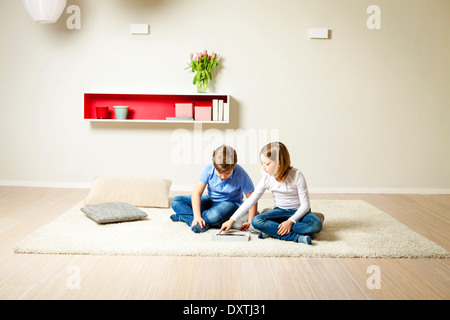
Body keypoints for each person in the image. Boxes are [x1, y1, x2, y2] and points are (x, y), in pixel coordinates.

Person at [219, 142, 322, 245]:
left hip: (299, 212)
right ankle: (295, 237)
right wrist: (231, 220)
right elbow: (250, 200)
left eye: (267, 164)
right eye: (262, 163)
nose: (264, 167)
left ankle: (271, 231)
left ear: (280, 163)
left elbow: (305, 205)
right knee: (256, 222)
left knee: (316, 225)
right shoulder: (267, 178)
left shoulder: (297, 175)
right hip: (280, 211)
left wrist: (290, 222)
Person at [170, 145, 258, 233]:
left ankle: (185, 217)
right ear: (214, 165)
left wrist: (250, 222)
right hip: (210, 200)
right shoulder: (209, 169)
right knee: (176, 201)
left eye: (227, 173)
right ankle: (193, 220)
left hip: (230, 204)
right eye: (219, 172)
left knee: (214, 216)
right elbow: (197, 193)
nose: (223, 176)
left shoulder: (240, 173)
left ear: (234, 166)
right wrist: (197, 216)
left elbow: (252, 198)